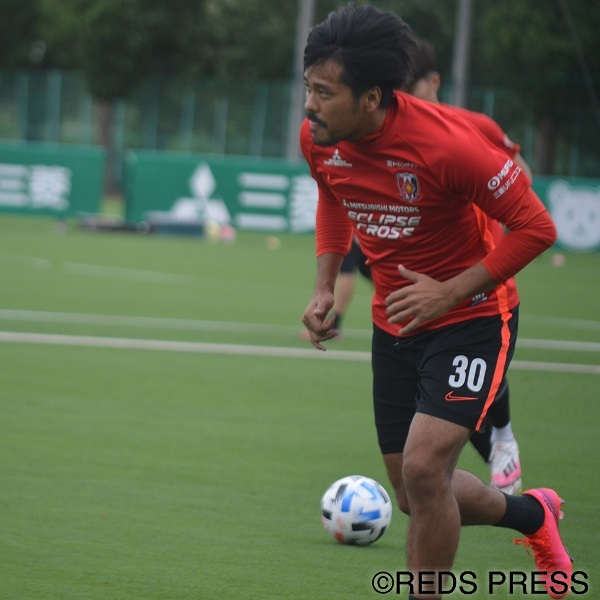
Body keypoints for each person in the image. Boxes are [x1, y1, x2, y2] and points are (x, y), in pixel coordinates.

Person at [300, 5, 571, 599]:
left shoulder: (448, 145)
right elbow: (332, 196)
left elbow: (537, 227)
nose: (309, 105)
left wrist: (448, 291)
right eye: (308, 88)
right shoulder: (320, 139)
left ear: (371, 98)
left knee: (425, 469)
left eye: (324, 92)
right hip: (395, 324)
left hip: (474, 318)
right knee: (413, 492)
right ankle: (533, 515)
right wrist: (324, 286)